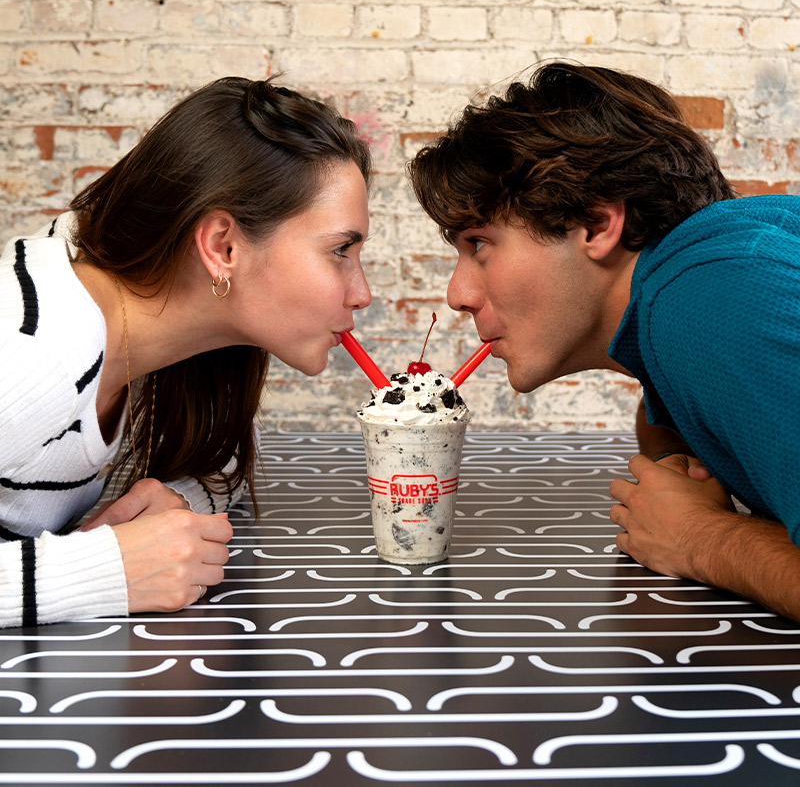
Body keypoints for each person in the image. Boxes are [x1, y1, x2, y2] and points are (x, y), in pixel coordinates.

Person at [408, 61, 800, 620]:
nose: (458, 293)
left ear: (596, 224)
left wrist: (702, 539)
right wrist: (672, 451)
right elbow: (663, 420)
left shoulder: (716, 299)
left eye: (479, 243)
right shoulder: (706, 275)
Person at [0, 77, 372, 627]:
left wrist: (174, 506)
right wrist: (97, 572)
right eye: (340, 251)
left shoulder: (160, 309)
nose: (361, 293)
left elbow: (218, 459)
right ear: (223, 247)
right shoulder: (30, 353)